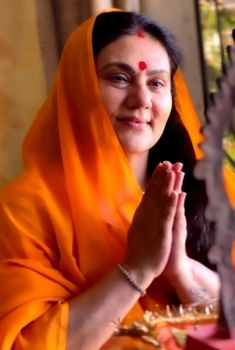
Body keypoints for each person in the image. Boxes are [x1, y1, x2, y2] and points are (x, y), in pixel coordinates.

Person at [0, 8, 232, 350]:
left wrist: (180, 270)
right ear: (79, 88)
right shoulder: (25, 210)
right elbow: (25, 344)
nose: (141, 100)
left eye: (156, 83)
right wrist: (136, 270)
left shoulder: (213, 187)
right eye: (119, 78)